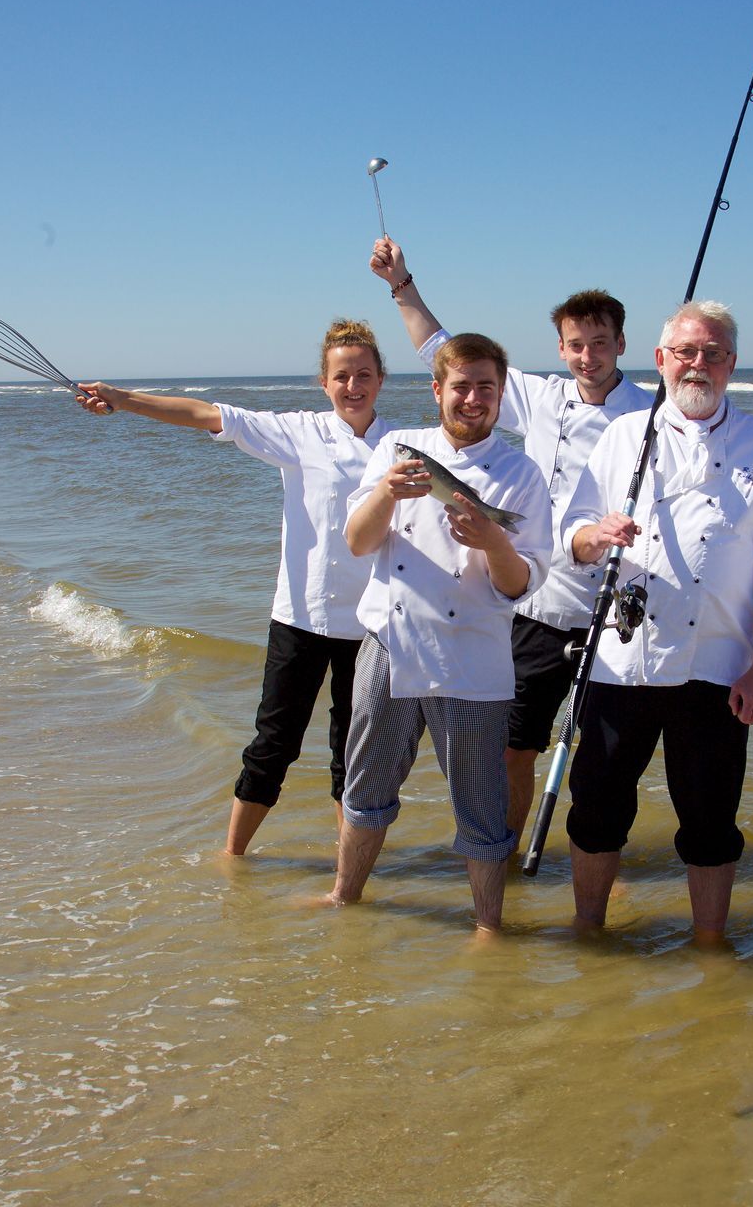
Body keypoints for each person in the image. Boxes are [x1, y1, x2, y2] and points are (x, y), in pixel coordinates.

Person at [369, 237, 655, 843]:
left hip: (611, 611)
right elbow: (443, 351)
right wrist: (402, 285)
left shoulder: (650, 414)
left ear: (621, 345)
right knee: (514, 749)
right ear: (561, 348)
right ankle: (506, 856)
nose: (588, 357)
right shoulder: (541, 395)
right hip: (538, 607)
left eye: (600, 343)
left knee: (604, 760)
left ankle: (597, 859)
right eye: (576, 345)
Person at [75, 319, 393, 855]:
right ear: (324, 382)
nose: (352, 386)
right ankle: (232, 860)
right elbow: (206, 414)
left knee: (353, 755)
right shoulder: (301, 433)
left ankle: (349, 876)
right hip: (302, 620)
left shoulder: (402, 446)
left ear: (381, 379)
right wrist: (121, 399)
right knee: (273, 746)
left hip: (373, 629)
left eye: (364, 374)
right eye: (341, 376)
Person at [557, 300, 753, 944]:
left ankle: (711, 945)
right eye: (686, 352)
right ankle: (588, 932)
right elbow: (570, 538)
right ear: (661, 360)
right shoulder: (621, 436)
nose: (699, 365)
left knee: (711, 822)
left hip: (720, 672)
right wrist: (595, 535)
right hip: (620, 660)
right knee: (597, 810)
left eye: (714, 353)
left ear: (732, 364)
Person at [328, 333, 554, 933]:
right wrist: (383, 494)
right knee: (366, 782)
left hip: (472, 661)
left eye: (486, 387)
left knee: (482, 806)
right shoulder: (400, 453)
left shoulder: (521, 473)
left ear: (501, 394)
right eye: (461, 386)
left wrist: (492, 541)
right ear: (437, 391)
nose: (473, 398)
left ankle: (487, 929)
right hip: (389, 646)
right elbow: (357, 542)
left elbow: (519, 585)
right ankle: (343, 898)